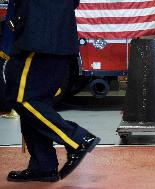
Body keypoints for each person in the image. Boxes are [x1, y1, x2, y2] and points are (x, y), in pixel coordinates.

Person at [5, 0, 101, 182]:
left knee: (22, 98)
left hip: (38, 37)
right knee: (37, 101)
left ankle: (77, 139)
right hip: (55, 36)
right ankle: (43, 165)